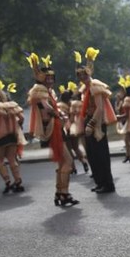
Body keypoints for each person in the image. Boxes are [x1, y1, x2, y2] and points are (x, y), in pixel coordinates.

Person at [26, 53, 78, 206]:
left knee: (63, 163)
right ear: (41, 78)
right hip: (51, 129)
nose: (50, 80)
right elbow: (46, 107)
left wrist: (60, 114)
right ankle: (64, 193)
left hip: (56, 127)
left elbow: (50, 107)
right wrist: (59, 114)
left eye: (51, 77)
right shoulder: (40, 90)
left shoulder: (47, 91)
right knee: (68, 161)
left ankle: (60, 193)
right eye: (46, 77)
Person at [75, 47, 117, 194]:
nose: (82, 78)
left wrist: (92, 124)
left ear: (89, 73)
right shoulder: (84, 89)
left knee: (101, 154)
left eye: (84, 75)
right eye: (79, 75)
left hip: (97, 123)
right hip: (89, 121)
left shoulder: (94, 85)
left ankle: (108, 184)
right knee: (92, 155)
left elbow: (99, 108)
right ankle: (100, 182)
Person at [58, 82, 89, 175]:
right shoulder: (73, 105)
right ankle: (84, 161)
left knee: (68, 149)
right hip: (73, 128)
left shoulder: (60, 106)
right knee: (76, 147)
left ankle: (73, 167)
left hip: (65, 129)